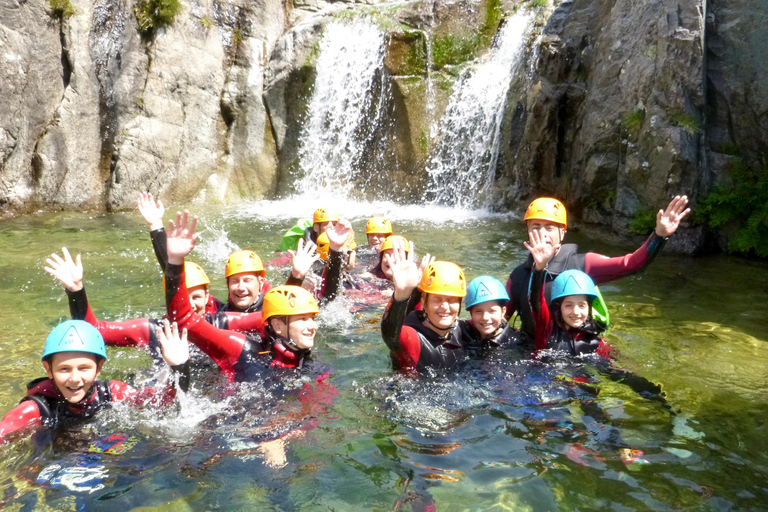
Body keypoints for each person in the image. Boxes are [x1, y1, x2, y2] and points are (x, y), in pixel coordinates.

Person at [163, 211, 349, 381]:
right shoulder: (229, 329)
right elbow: (184, 314)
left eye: (247, 281)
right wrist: (174, 259)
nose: (241, 288)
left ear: (260, 284)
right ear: (227, 285)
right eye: (235, 281)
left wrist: (331, 253)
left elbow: (311, 302)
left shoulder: (314, 366)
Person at [505, 195, 691, 343]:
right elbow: (496, 321)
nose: (542, 233)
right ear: (528, 232)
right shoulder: (519, 277)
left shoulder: (583, 264)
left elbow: (631, 265)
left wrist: (659, 236)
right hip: (535, 353)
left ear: (562, 232)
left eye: (550, 228)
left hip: (579, 351)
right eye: (535, 227)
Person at [0, 319, 189, 444]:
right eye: (64, 369)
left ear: (98, 368)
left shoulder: (112, 393)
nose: (74, 379)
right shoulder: (38, 408)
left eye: (84, 368)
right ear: (48, 369)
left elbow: (163, 403)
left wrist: (179, 367)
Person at [381, 240, 472, 375]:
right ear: (424, 302)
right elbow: (391, 336)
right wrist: (401, 294)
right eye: (437, 299)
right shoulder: (414, 338)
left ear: (460, 304)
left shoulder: (464, 331)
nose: (445, 307)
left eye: (452, 300)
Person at [525, 228, 613, 356]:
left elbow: (612, 367)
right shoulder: (546, 328)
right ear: (558, 307)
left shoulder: (593, 339)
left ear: (589, 308)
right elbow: (536, 301)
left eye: (582, 305)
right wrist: (539, 268)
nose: (576, 312)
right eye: (568, 305)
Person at [460, 276, 520, 356]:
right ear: (471, 313)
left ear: (503, 312)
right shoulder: (462, 333)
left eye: (492, 311)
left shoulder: (517, 342)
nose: (485, 317)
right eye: (478, 311)